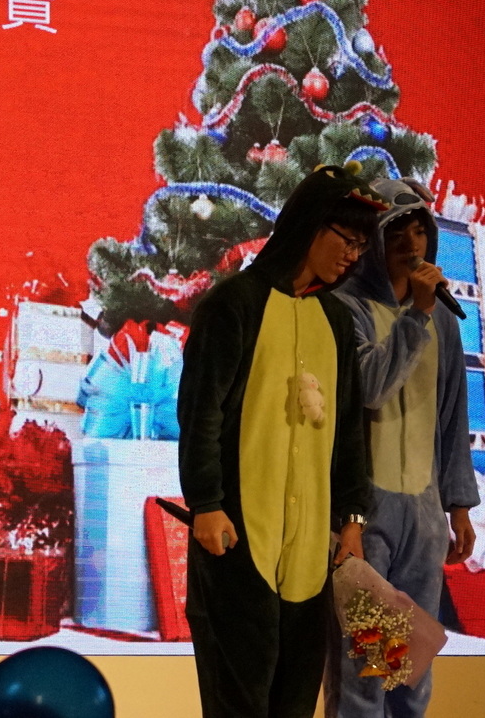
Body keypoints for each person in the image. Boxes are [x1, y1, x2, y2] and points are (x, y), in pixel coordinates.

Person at [178, 164, 385, 718]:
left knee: (294, 701)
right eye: (346, 239)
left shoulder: (336, 321)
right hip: (237, 540)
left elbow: (348, 431)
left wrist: (352, 520)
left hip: (310, 550)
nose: (353, 256)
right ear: (309, 225)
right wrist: (206, 502)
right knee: (238, 700)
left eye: (361, 246)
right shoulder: (233, 304)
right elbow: (200, 415)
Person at [331, 177, 480, 718]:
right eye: (396, 232)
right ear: (372, 240)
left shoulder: (442, 319)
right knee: (366, 671)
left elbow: (452, 414)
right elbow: (371, 387)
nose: (411, 244)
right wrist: (415, 315)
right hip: (366, 515)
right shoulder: (346, 307)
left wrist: (458, 506)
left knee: (410, 674)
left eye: (419, 232)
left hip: (424, 512)